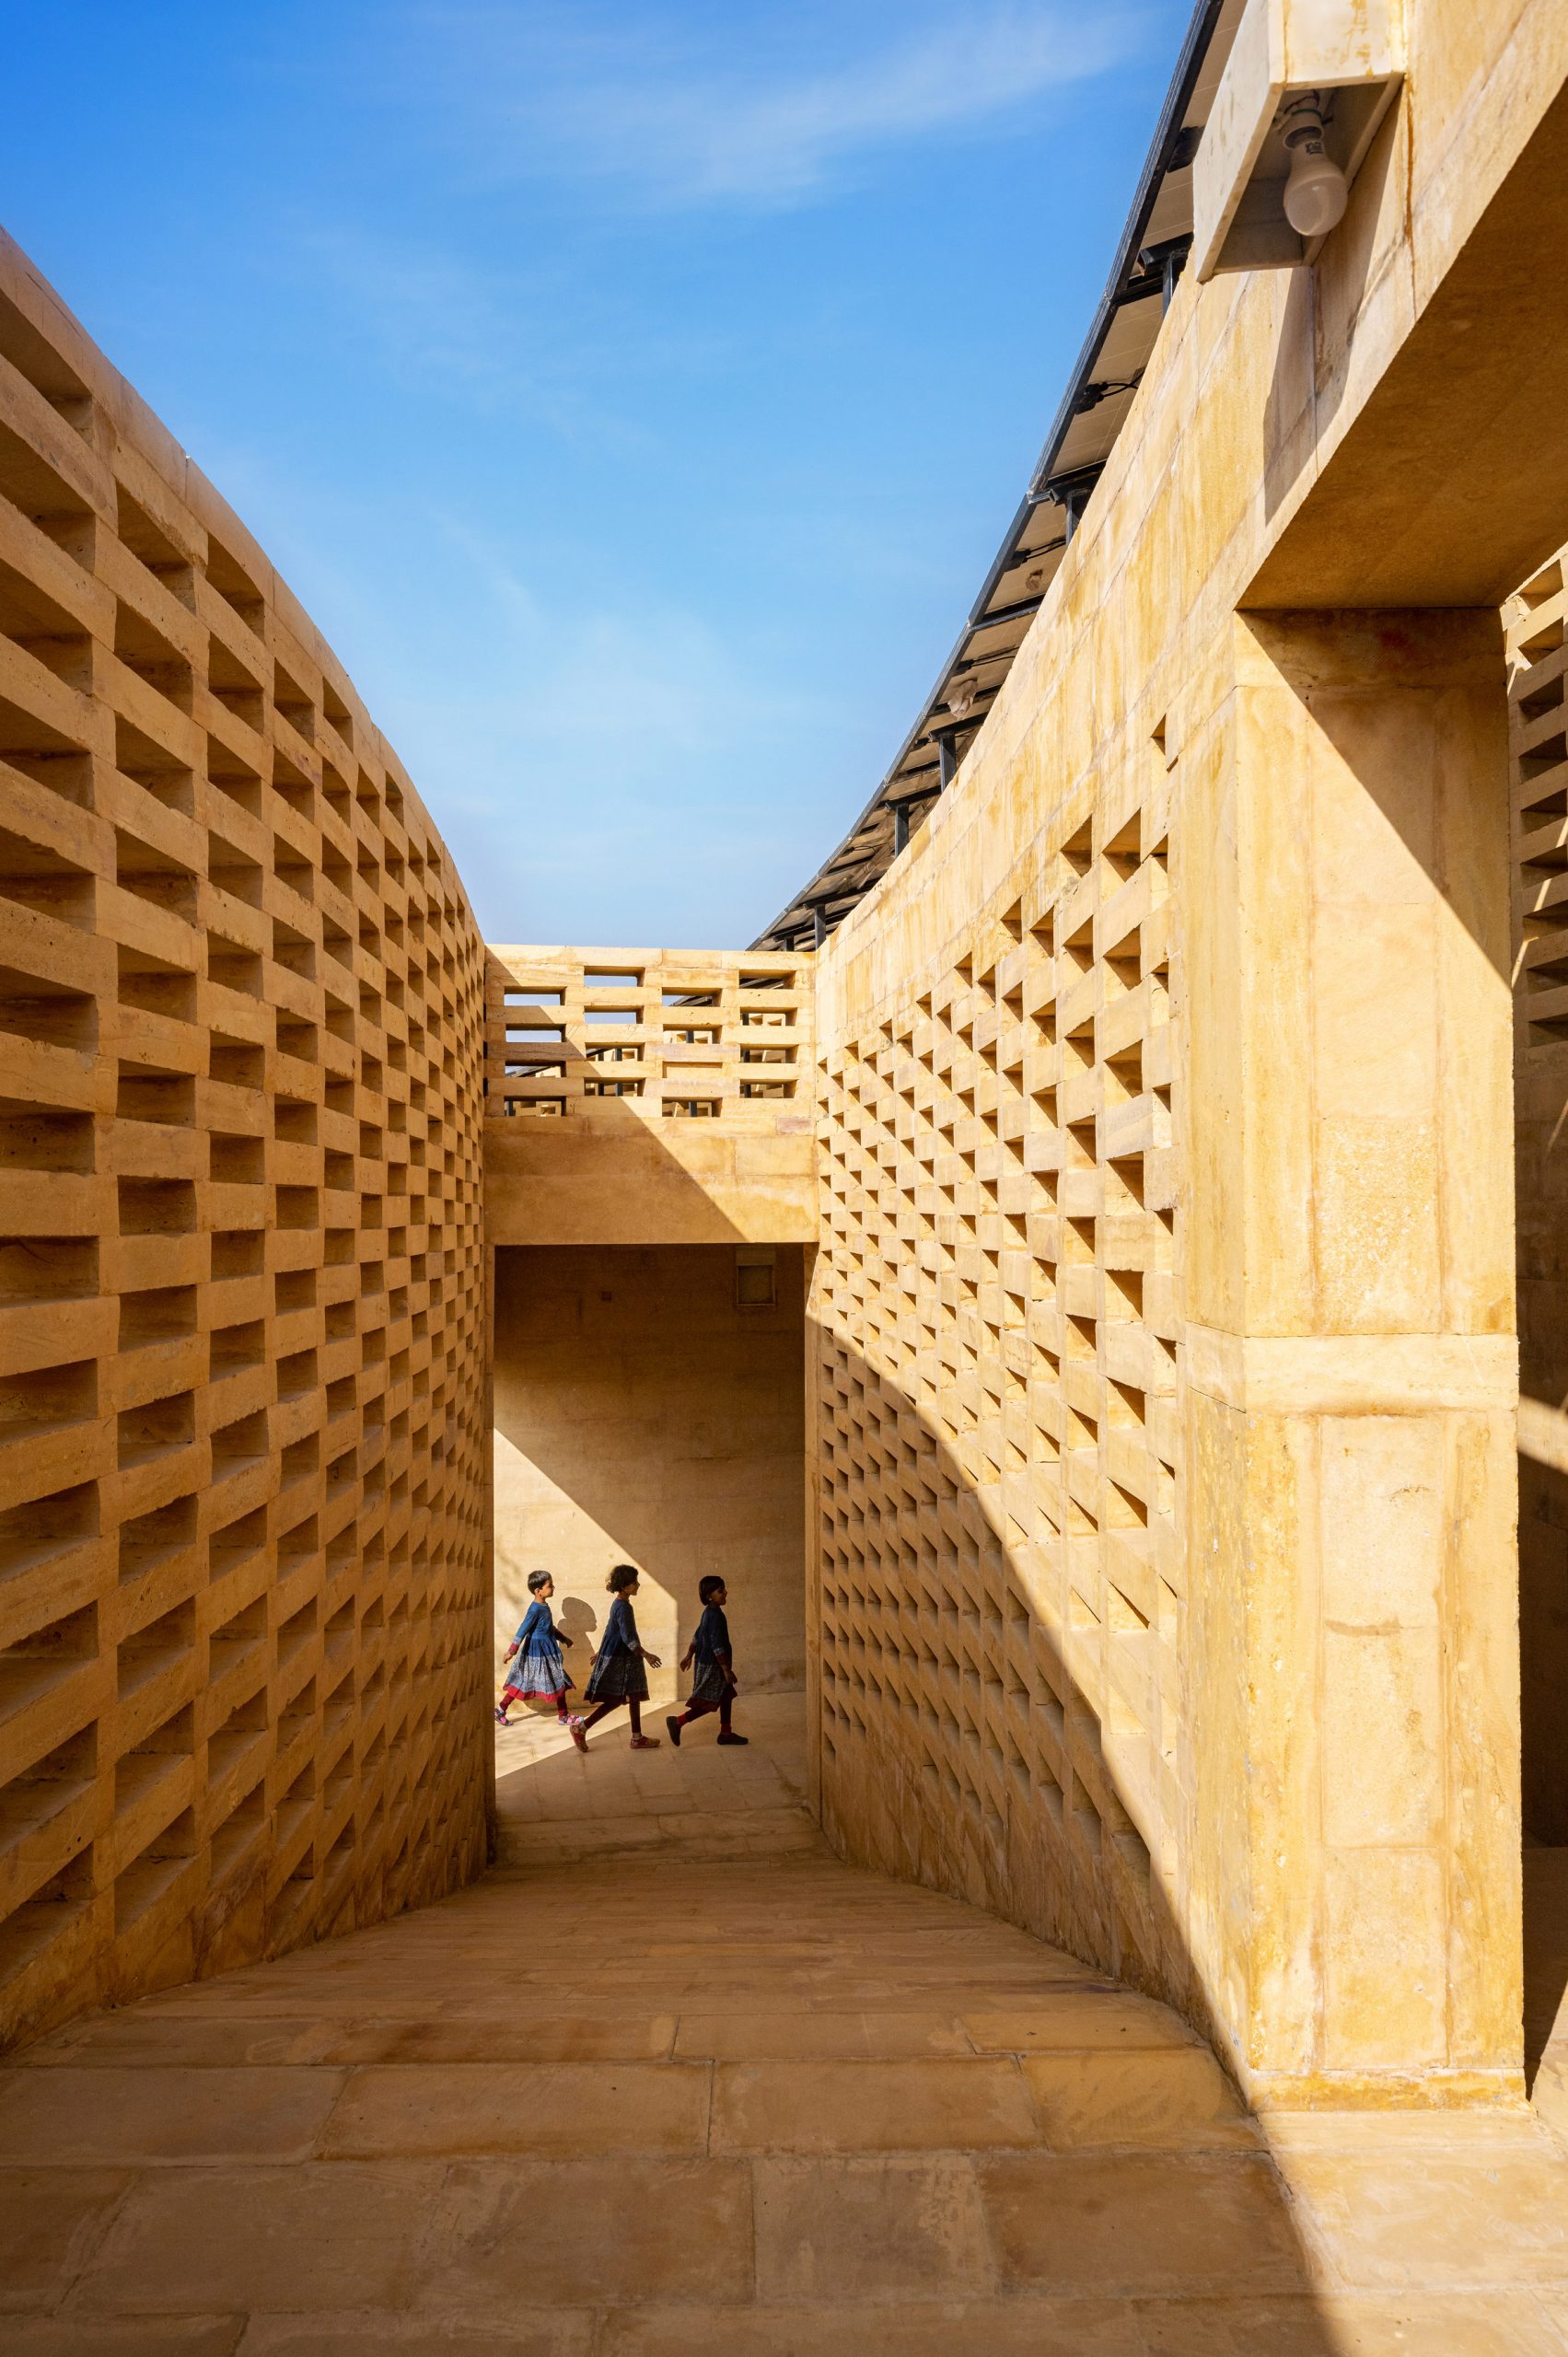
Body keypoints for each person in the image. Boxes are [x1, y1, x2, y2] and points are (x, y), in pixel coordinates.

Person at [574, 1563, 662, 1751]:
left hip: (624, 1658)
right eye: (634, 1582)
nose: (638, 1585)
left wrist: (601, 1650)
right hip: (622, 1660)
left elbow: (610, 1630)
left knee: (634, 1696)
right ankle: (581, 1728)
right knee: (616, 1699)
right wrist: (646, 1655)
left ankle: (637, 1737)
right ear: (624, 1586)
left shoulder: (619, 1604)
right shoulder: (623, 1607)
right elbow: (628, 1637)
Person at [667, 1575, 747, 1747]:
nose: (725, 1592)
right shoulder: (715, 1616)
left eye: (724, 1589)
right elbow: (717, 1645)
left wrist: (689, 1655)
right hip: (714, 1666)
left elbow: (698, 1635)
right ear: (709, 1595)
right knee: (710, 1700)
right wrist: (726, 1669)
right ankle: (678, 1721)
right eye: (720, 1590)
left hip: (708, 1663)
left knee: (726, 1696)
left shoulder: (709, 1613)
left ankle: (726, 1732)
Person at [495, 1569, 579, 1729]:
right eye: (550, 1585)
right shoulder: (534, 1609)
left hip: (547, 1651)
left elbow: (549, 1628)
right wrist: (511, 1651)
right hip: (536, 1653)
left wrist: (564, 1638)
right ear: (538, 1591)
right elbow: (522, 1629)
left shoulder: (544, 1607)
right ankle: (563, 1715)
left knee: (556, 1680)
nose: (553, 1588)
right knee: (529, 1681)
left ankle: (563, 1715)